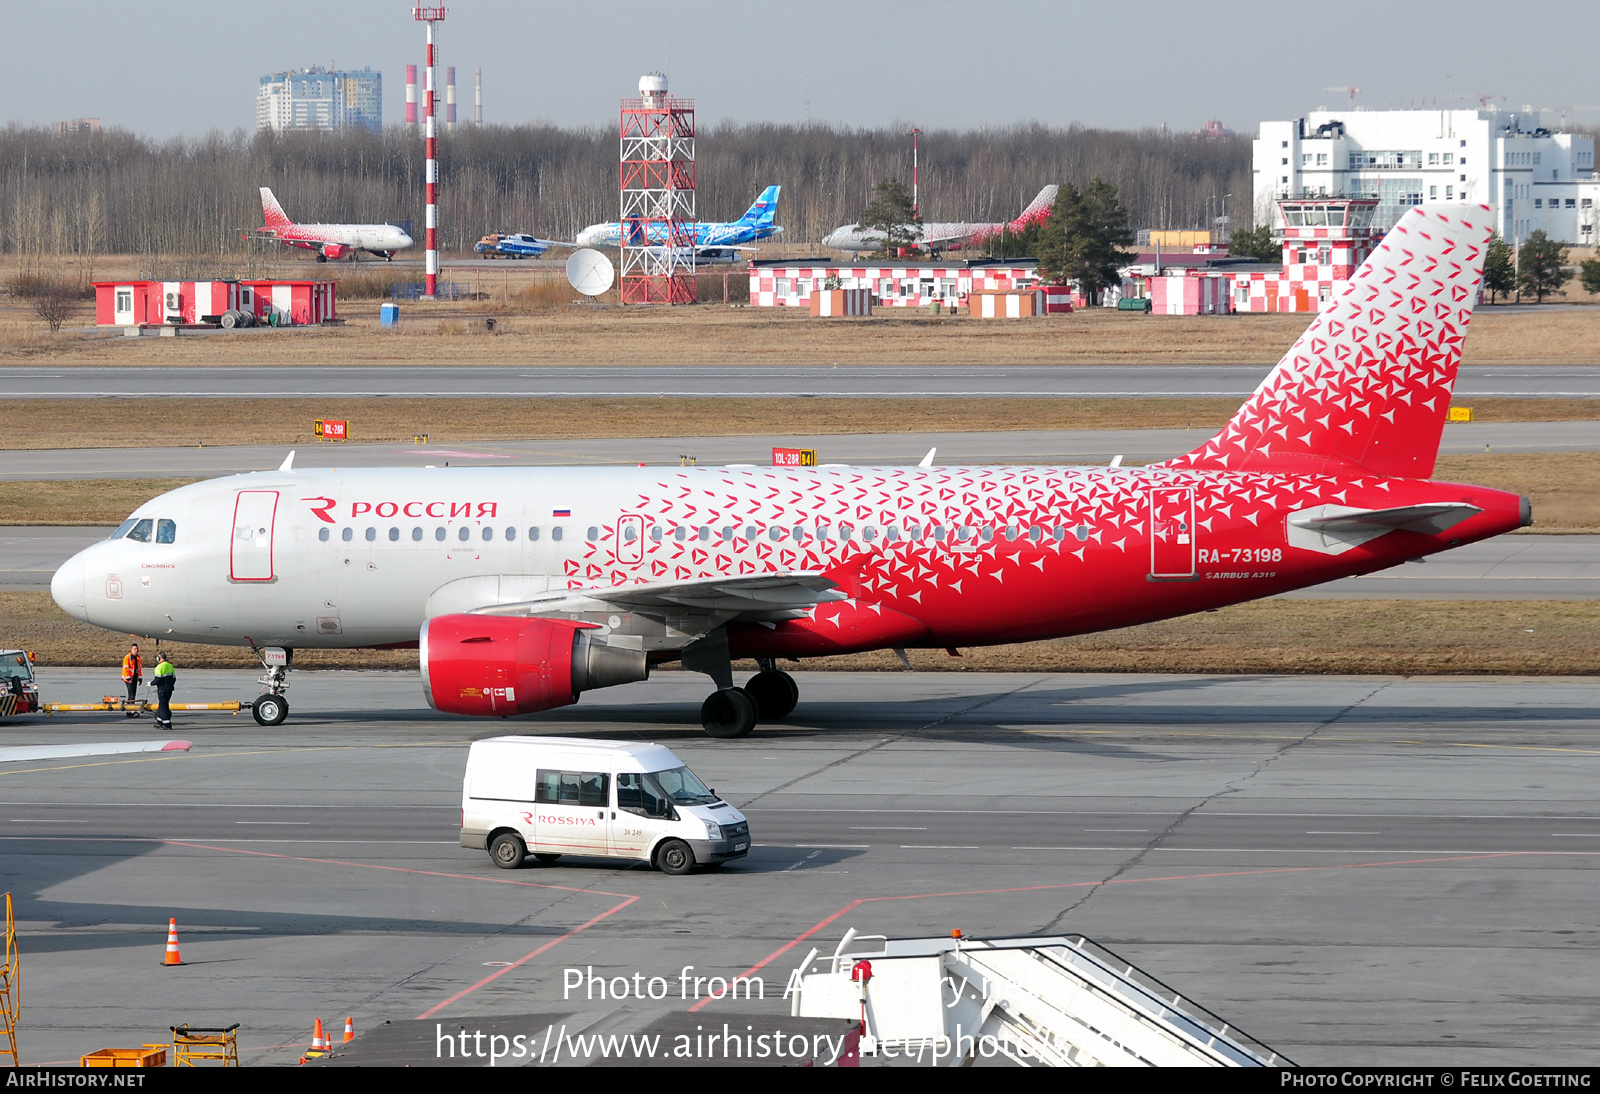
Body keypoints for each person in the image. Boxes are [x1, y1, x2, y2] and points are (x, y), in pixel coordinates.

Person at [152, 653, 176, 730]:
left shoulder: (159, 667)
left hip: (162, 690)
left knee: (164, 706)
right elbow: (174, 678)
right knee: (163, 704)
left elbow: (157, 680)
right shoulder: (170, 666)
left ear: (159, 659)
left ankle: (167, 723)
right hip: (169, 689)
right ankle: (159, 721)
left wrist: (151, 683)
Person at [121, 643, 143, 718]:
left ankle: (129, 710)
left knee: (132, 694)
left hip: (134, 678)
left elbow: (139, 669)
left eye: (137, 649)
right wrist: (128, 678)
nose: (136, 650)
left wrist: (140, 677)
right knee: (131, 694)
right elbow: (126, 668)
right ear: (131, 650)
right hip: (128, 678)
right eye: (134, 649)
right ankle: (132, 710)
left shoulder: (138, 658)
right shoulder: (128, 657)